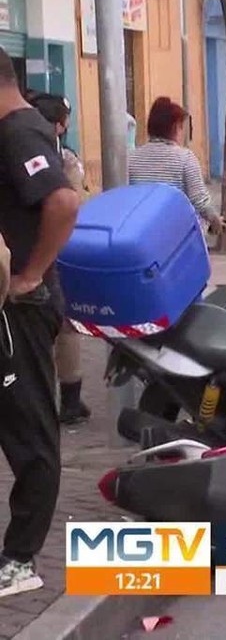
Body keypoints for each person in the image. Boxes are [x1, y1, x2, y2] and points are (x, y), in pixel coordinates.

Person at [0, 46, 82, 598]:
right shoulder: (21, 128)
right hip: (14, 307)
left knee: (29, 431)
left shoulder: (18, 132)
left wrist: (31, 274)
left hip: (22, 311)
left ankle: (21, 560)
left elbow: (63, 202)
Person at [28, 93, 92, 425]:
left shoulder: (14, 149)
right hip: (55, 254)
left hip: (20, 254)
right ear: (60, 124)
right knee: (63, 327)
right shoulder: (64, 160)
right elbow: (73, 204)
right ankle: (69, 401)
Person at [128, 96, 226, 234]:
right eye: (182, 127)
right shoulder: (185, 158)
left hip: (141, 231)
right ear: (176, 127)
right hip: (175, 233)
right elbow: (199, 200)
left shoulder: (132, 158)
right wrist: (216, 221)